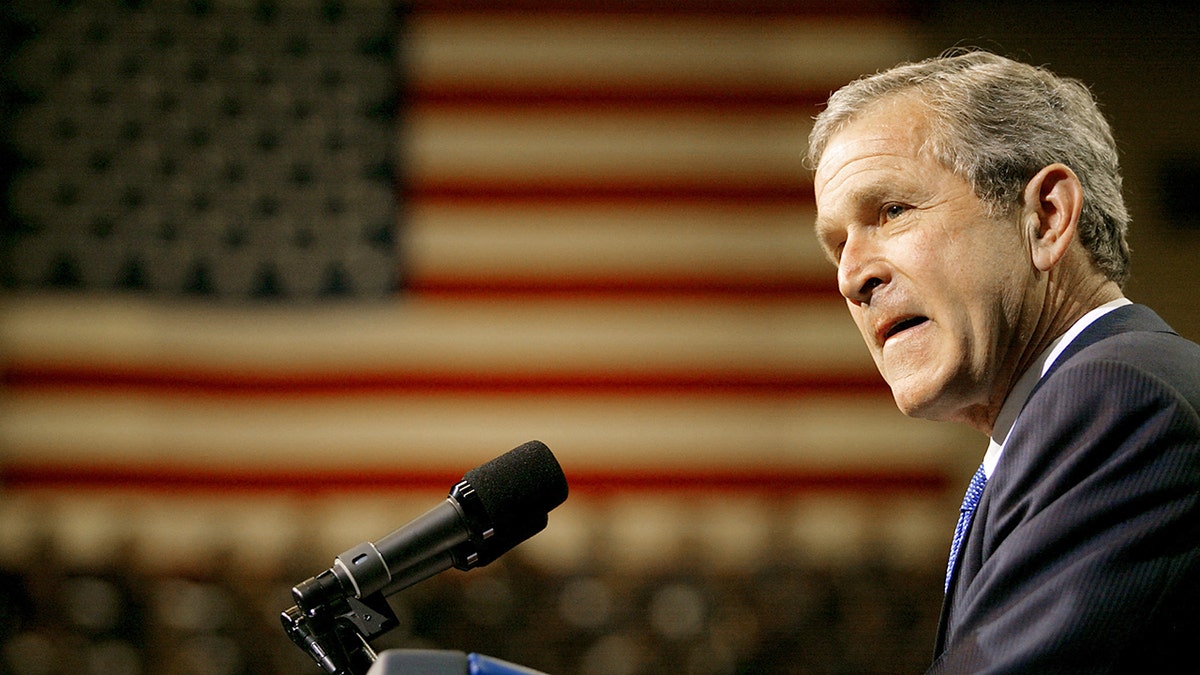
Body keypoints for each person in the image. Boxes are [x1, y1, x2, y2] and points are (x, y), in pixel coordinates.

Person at [805, 49, 1200, 673]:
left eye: (892, 211)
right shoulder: (1062, 419)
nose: (852, 277)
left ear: (1045, 217)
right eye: (837, 246)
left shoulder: (1119, 400)